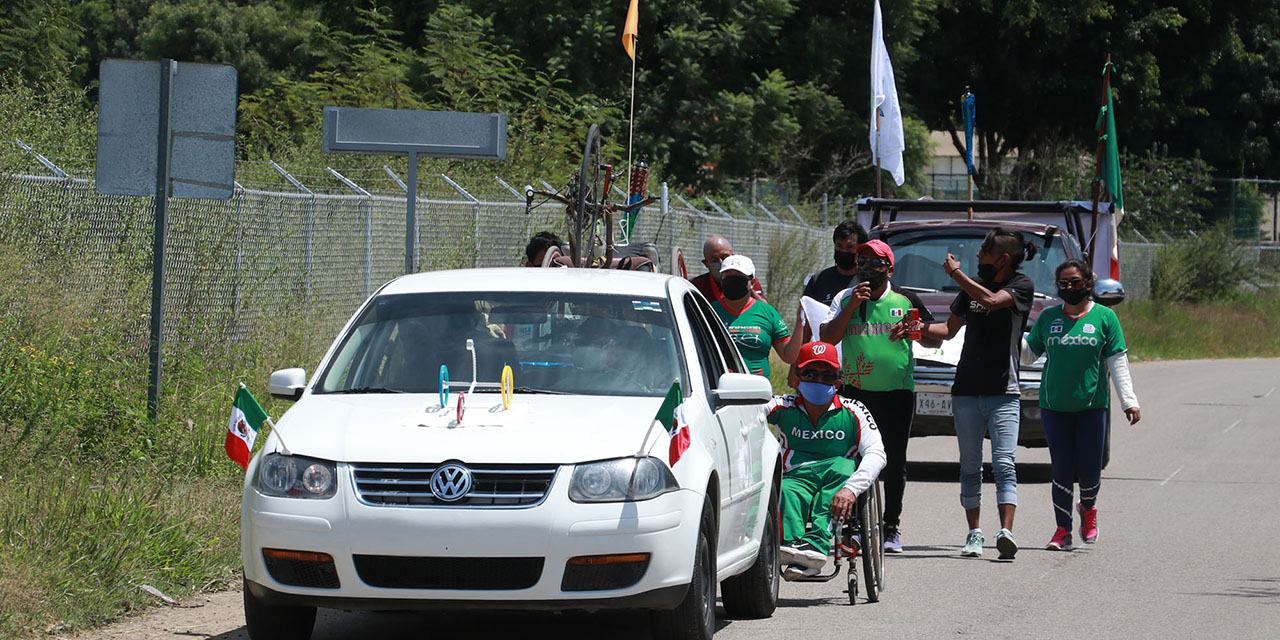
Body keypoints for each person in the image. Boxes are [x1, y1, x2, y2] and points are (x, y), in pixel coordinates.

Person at [917, 227, 1037, 560]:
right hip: (966, 389)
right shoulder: (970, 287)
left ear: (1005, 259)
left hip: (1004, 391)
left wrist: (957, 276)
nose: (979, 256)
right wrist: (913, 329)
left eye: (985, 251)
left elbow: (991, 301)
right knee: (970, 466)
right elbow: (947, 330)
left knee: (1004, 464)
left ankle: (1006, 532)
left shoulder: (1020, 286)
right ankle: (974, 534)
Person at [819, 239, 941, 553]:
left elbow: (929, 341)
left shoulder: (905, 298)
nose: (868, 269)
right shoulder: (846, 297)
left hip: (896, 393)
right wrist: (849, 307)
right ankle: (857, 527)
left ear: (889, 268)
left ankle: (891, 528)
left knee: (894, 461)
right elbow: (828, 338)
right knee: (856, 460)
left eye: (875, 264)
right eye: (862, 263)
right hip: (855, 393)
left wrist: (915, 328)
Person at [1024, 258, 1140, 551]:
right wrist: (1011, 334)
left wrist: (1129, 402)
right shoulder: (1049, 318)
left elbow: (1117, 362)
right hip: (1054, 406)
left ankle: (1088, 508)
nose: (1070, 288)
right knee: (1061, 468)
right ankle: (1062, 530)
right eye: (1063, 283)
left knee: (1089, 468)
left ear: (1089, 284)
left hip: (1091, 406)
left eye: (1076, 282)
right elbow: (1028, 355)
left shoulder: (1104, 318)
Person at [766, 341, 886, 580]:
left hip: (837, 477)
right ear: (797, 379)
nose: (819, 381)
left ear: (838, 383)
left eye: (827, 375)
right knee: (786, 490)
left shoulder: (854, 411)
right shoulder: (781, 406)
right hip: (797, 475)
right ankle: (792, 548)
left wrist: (852, 489)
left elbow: (876, 453)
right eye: (811, 374)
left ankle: (815, 545)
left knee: (843, 469)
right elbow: (745, 415)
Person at [710, 255, 802, 378]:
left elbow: (788, 356)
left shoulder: (767, 312)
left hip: (757, 390)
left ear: (752, 283)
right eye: (728, 277)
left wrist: (801, 322)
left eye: (739, 277)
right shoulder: (709, 311)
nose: (733, 281)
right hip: (718, 387)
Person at [803, 219, 869, 307]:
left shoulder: (867, 282)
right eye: (839, 246)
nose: (843, 251)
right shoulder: (819, 280)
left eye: (850, 247)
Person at [690, 235, 765, 302]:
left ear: (733, 257)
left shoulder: (747, 280)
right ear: (706, 264)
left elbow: (764, 308)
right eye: (714, 260)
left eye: (725, 257)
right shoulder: (696, 285)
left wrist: (748, 289)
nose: (721, 262)